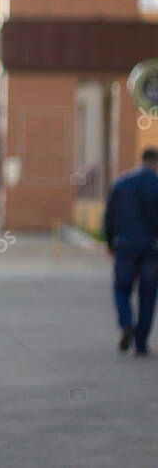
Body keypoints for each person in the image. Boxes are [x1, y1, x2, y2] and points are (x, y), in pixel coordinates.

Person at [103, 148, 158, 356]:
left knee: (121, 288)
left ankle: (126, 323)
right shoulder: (156, 184)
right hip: (152, 248)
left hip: (125, 246)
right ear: (155, 163)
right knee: (148, 295)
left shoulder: (121, 183)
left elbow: (109, 216)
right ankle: (141, 343)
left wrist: (109, 243)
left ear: (141, 160)